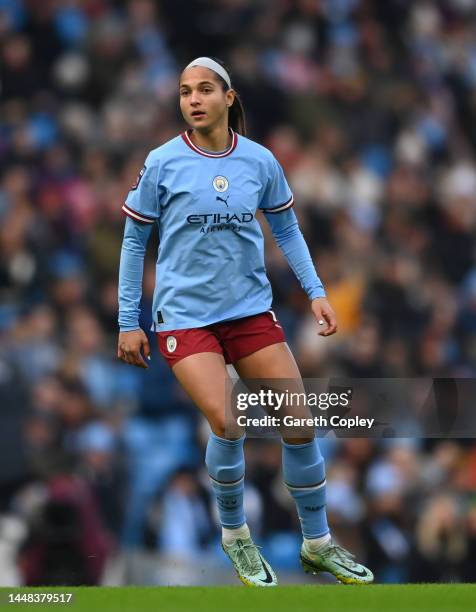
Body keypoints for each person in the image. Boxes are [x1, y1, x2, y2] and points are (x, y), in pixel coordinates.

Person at [117, 56, 373, 586]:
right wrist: (127, 320)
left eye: (204, 89)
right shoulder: (162, 162)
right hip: (186, 318)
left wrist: (317, 293)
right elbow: (134, 239)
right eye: (185, 90)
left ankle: (318, 544)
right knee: (230, 420)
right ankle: (236, 537)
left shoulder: (260, 161)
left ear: (228, 98)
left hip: (250, 312)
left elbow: (288, 231)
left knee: (300, 425)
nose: (192, 99)